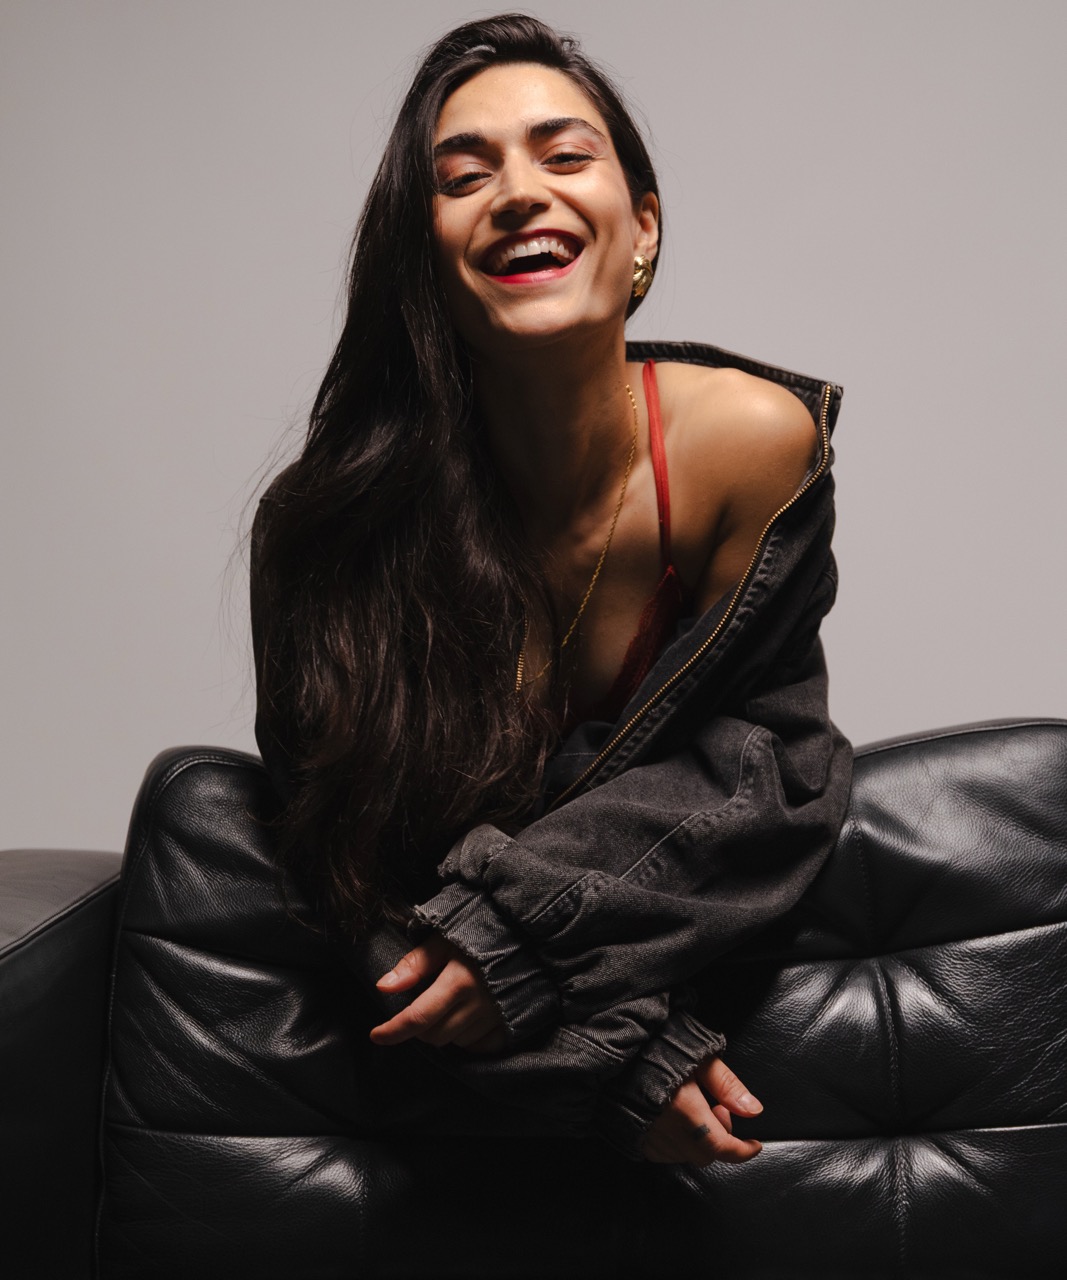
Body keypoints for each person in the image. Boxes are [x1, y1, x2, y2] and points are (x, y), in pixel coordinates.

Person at [250, 13, 852, 1170]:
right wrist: (617, 1060)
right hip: (445, 1125)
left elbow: (777, 774)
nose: (519, 192)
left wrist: (515, 938)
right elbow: (348, 875)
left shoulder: (749, 448)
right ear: (421, 253)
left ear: (642, 226)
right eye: (462, 176)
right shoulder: (326, 530)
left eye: (564, 156)